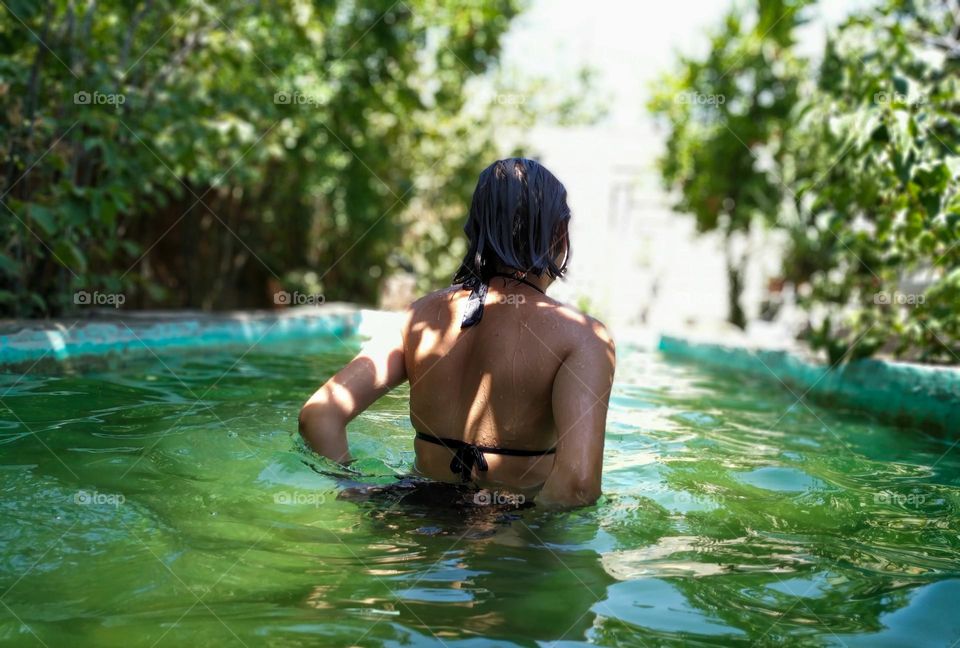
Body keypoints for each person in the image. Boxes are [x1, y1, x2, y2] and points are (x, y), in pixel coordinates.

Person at [299, 158, 616, 508]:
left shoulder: (419, 317)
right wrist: (517, 539)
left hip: (410, 516)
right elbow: (578, 485)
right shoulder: (583, 337)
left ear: (475, 228)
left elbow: (319, 415)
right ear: (559, 232)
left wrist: (355, 491)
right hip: (506, 535)